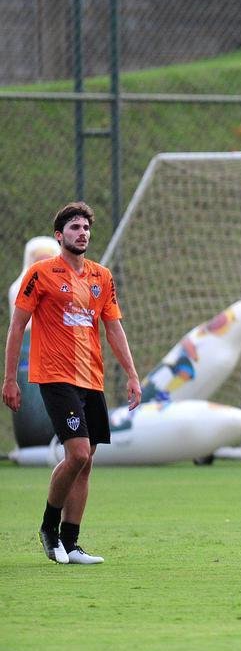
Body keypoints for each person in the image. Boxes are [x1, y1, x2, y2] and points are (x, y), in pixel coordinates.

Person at [3, 202, 141, 565]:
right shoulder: (40, 274)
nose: (82, 233)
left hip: (90, 378)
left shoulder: (101, 276)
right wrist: (10, 379)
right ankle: (49, 529)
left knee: (86, 460)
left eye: (85, 228)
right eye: (74, 227)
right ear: (59, 235)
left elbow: (113, 328)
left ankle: (72, 542)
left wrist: (132, 374)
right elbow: (17, 327)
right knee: (77, 453)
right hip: (55, 376)